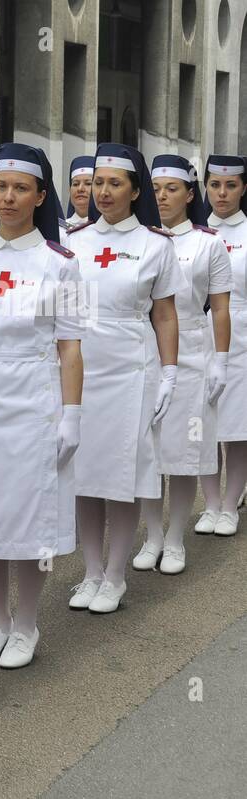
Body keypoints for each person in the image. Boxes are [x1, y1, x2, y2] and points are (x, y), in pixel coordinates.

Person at [0, 144, 85, 669]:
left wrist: (72, 414)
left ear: (41, 196)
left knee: (30, 516)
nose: (8, 197)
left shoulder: (63, 263)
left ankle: (27, 623)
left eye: (20, 188)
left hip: (35, 396)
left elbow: (71, 346)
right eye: (0, 186)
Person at [63, 144, 182, 613]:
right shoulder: (72, 241)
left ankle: (115, 574)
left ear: (136, 190)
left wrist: (170, 372)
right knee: (85, 473)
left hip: (132, 368)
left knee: (124, 473)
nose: (104, 192)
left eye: (115, 183)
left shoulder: (156, 245)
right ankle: (90, 571)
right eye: (98, 183)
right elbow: (61, 315)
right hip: (80, 366)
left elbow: (166, 316)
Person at [134, 155, 231, 572]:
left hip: (192, 348)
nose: (162, 197)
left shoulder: (207, 242)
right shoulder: (141, 240)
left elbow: (221, 308)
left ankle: (176, 538)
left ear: (190, 195)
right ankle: (152, 534)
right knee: (148, 450)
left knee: (184, 450)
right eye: (156, 189)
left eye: (172, 189)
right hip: (145, 350)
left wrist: (221, 362)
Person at [201, 154, 247, 535]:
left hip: (244, 338)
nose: (222, 192)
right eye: (215, 184)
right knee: (204, 424)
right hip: (201, 336)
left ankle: (230, 505)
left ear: (243, 188)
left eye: (230, 185)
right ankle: (210, 504)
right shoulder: (195, 233)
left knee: (237, 427)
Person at [66, 157, 93, 226]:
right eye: (75, 184)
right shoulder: (60, 231)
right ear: (69, 190)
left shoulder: (110, 230)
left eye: (88, 183)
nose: (80, 189)